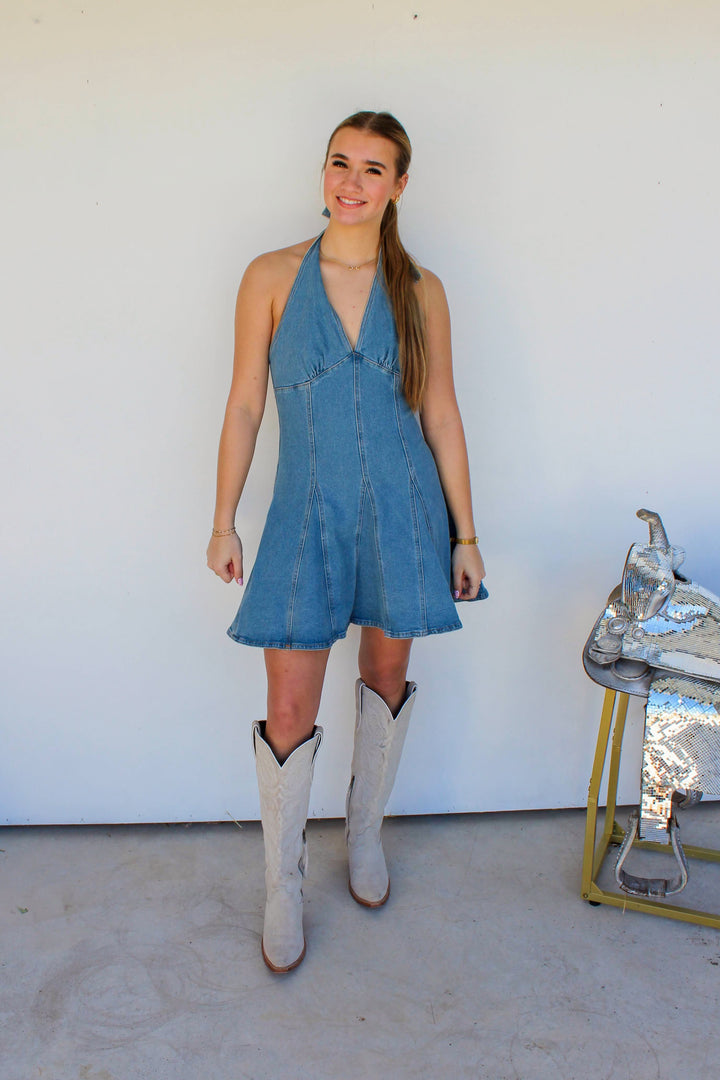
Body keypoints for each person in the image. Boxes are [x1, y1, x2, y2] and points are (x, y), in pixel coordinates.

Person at [207, 111, 486, 973]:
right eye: (339, 162)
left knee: (386, 674)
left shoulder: (423, 289)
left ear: (399, 186)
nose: (351, 181)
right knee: (289, 705)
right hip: (303, 512)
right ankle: (282, 880)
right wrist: (223, 519)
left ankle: (364, 836)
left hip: (404, 509)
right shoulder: (270, 276)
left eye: (373, 169)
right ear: (322, 171)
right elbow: (247, 403)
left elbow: (439, 410)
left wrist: (467, 533)